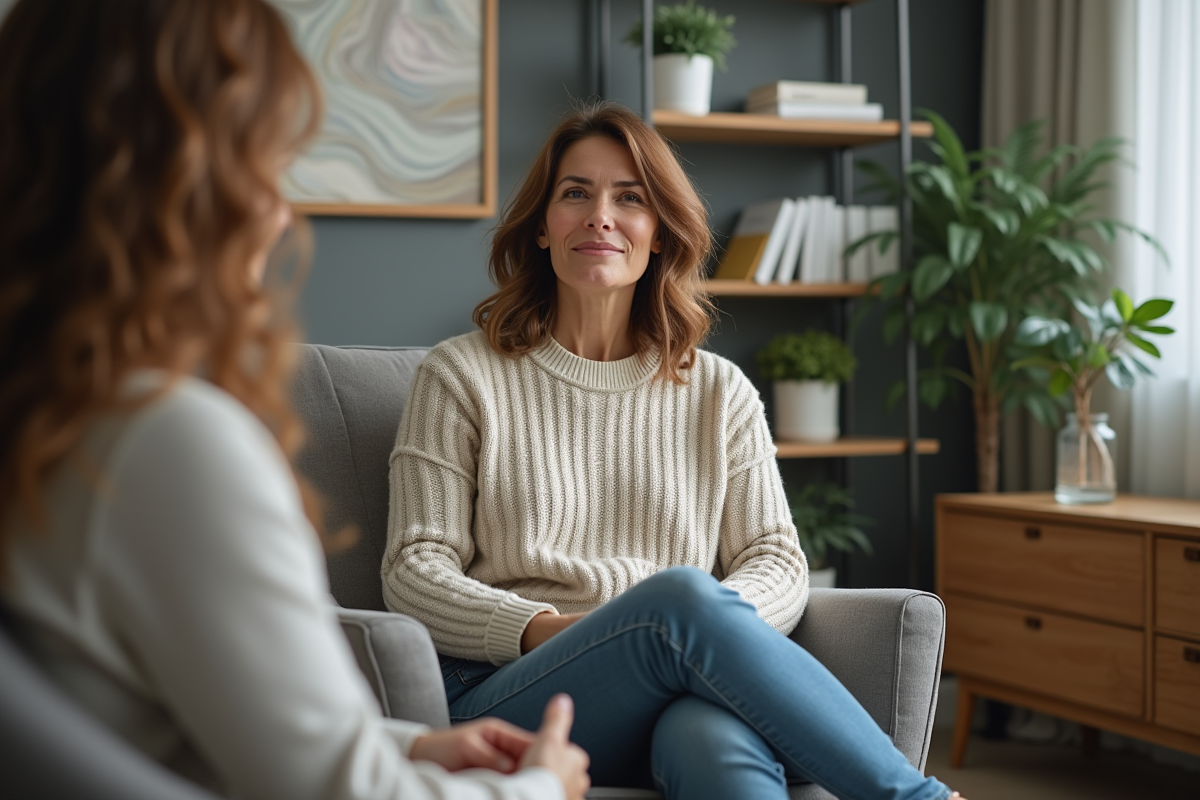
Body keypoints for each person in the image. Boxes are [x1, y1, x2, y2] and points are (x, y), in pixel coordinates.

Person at [0, 2, 590, 799]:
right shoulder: (168, 445)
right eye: (266, 160)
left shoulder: (52, 417)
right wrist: (542, 787)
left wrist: (412, 744)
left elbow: (157, 710)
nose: (282, 211)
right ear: (187, 180)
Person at [384, 101, 971, 800]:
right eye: (576, 193)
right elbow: (414, 569)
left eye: (629, 199)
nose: (601, 215)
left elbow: (776, 559)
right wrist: (547, 628)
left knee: (715, 743)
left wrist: (705, 631)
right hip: (512, 692)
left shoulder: (720, 390)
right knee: (682, 599)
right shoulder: (459, 375)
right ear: (542, 227)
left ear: (659, 233)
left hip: (678, 680)